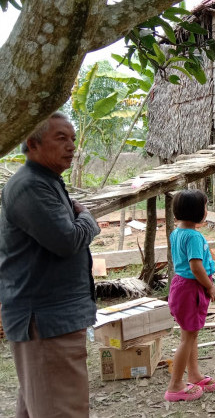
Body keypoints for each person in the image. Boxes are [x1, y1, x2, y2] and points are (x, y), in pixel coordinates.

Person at [0, 112, 101, 417]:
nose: (71, 145)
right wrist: (88, 219)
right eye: (61, 138)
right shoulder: (31, 186)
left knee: (38, 406)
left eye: (72, 138)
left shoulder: (45, 181)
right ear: (32, 144)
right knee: (61, 410)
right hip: (47, 323)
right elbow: (67, 240)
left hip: (51, 320)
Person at [164, 189, 215, 402]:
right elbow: (196, 267)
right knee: (187, 338)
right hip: (192, 288)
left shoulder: (176, 232)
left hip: (181, 286)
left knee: (190, 334)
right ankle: (175, 385)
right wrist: (209, 287)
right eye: (206, 206)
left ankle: (194, 375)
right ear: (199, 212)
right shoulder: (194, 236)